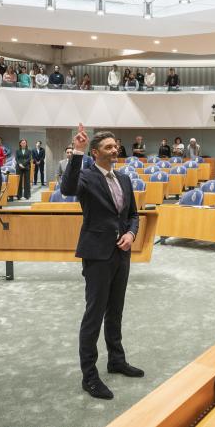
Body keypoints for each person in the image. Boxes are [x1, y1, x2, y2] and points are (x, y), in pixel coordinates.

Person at [61, 127, 142, 400]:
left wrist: (131, 234)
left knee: (116, 310)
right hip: (97, 255)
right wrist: (77, 153)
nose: (114, 149)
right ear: (95, 153)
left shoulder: (124, 179)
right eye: (108, 147)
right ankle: (90, 376)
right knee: (94, 315)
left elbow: (133, 214)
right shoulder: (85, 175)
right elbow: (67, 188)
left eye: (115, 145)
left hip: (122, 254)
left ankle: (116, 360)